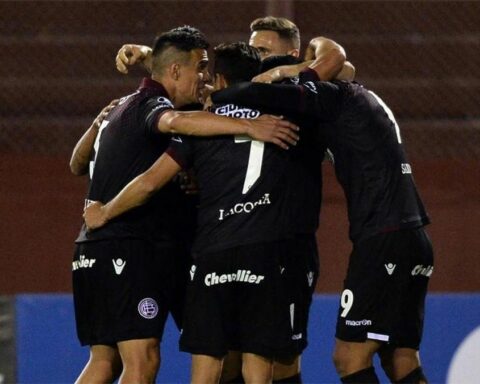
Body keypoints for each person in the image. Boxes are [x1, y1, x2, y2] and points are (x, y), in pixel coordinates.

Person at [112, 16, 354, 383]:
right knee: (257, 358)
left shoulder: (230, 110)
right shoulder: (291, 110)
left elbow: (342, 66)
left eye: (263, 50)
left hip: (248, 247)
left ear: (292, 53)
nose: (258, 58)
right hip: (269, 247)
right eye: (253, 50)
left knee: (258, 358)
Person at [71, 27, 298, 384]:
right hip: (128, 246)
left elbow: (76, 163)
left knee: (105, 361)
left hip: (94, 249)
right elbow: (159, 159)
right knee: (144, 361)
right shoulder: (157, 108)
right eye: (200, 67)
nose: (205, 77)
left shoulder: (119, 107)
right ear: (176, 71)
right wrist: (249, 125)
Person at [211, 68, 434, 384]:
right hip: (413, 239)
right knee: (400, 357)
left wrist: (218, 94)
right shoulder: (365, 101)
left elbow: (270, 94)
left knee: (348, 358)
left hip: (383, 239)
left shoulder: (336, 95)